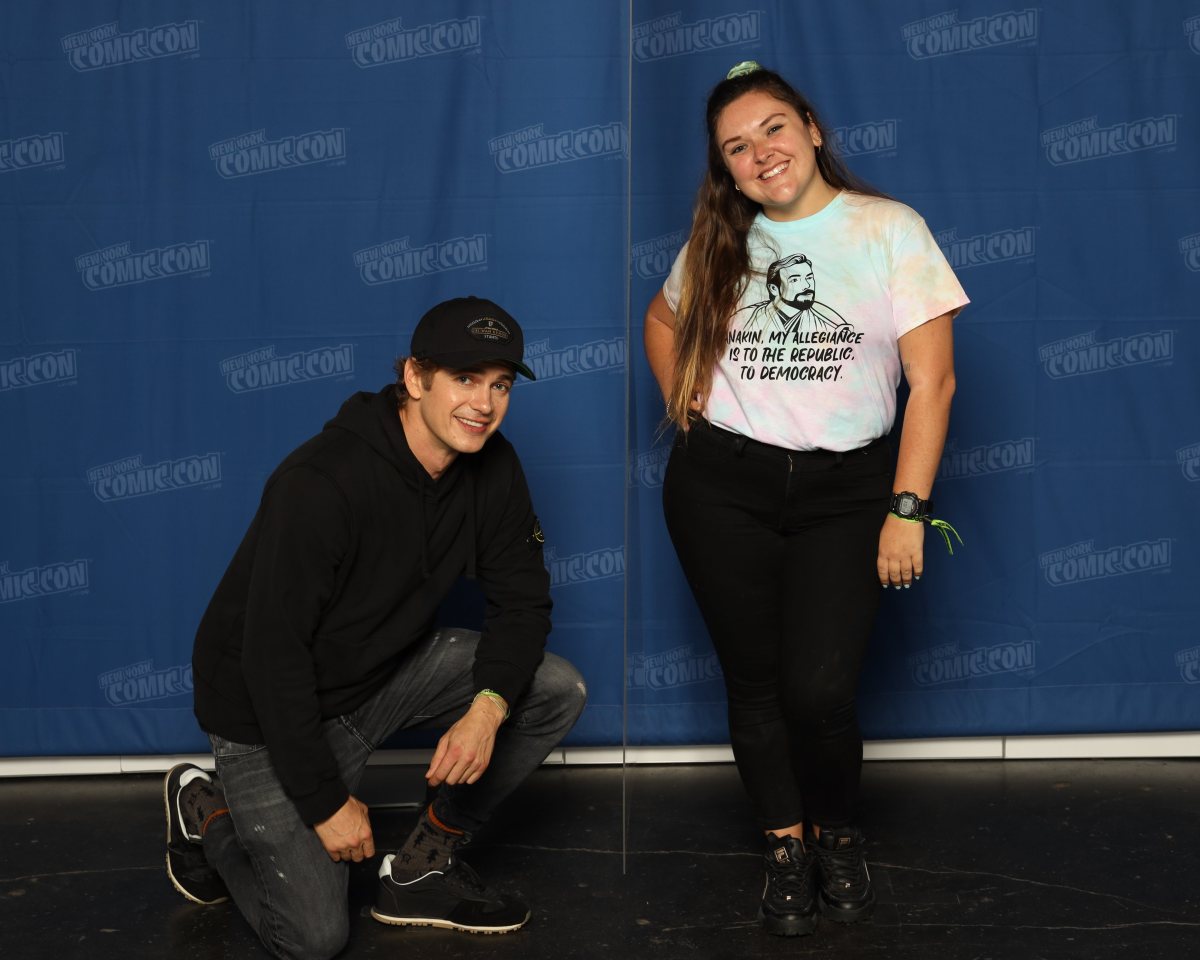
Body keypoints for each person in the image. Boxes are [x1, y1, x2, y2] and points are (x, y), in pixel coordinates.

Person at [642, 62, 968, 937]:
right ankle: (785, 845)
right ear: (726, 168)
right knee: (752, 685)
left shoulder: (888, 229)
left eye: (773, 130)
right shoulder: (720, 239)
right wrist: (690, 403)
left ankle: (838, 831)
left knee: (819, 690)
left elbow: (931, 385)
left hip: (848, 490)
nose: (761, 155)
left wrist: (907, 509)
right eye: (737, 148)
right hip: (722, 488)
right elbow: (664, 321)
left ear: (812, 128)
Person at [165, 296, 587, 959]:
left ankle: (423, 866)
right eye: (465, 379)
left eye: (501, 384)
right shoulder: (321, 483)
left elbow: (524, 603)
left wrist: (487, 707)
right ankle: (209, 815)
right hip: (265, 712)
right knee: (313, 938)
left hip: (378, 677)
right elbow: (272, 659)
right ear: (415, 378)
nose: (485, 403)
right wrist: (325, 801)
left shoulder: (493, 466)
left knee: (552, 687)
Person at [738, 253, 851, 338]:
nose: (807, 285)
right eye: (795, 280)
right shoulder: (746, 319)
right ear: (774, 289)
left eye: (809, 278)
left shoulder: (831, 322)